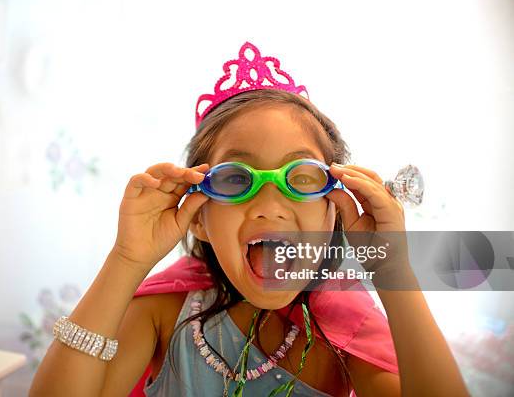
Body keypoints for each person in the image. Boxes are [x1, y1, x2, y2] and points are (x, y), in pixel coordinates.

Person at [29, 41, 469, 397]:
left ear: (334, 210)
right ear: (198, 218)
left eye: (300, 177)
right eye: (237, 179)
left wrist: (394, 273)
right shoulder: (164, 314)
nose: (270, 205)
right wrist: (126, 260)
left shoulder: (346, 330)